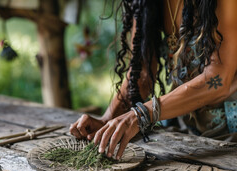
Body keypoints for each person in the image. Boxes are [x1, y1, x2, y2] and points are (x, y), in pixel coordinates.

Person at [70, 0, 237, 160]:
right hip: (186, 126)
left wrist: (143, 114)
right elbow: (142, 74)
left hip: (231, 128)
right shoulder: (146, 2)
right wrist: (107, 120)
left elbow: (219, 78)